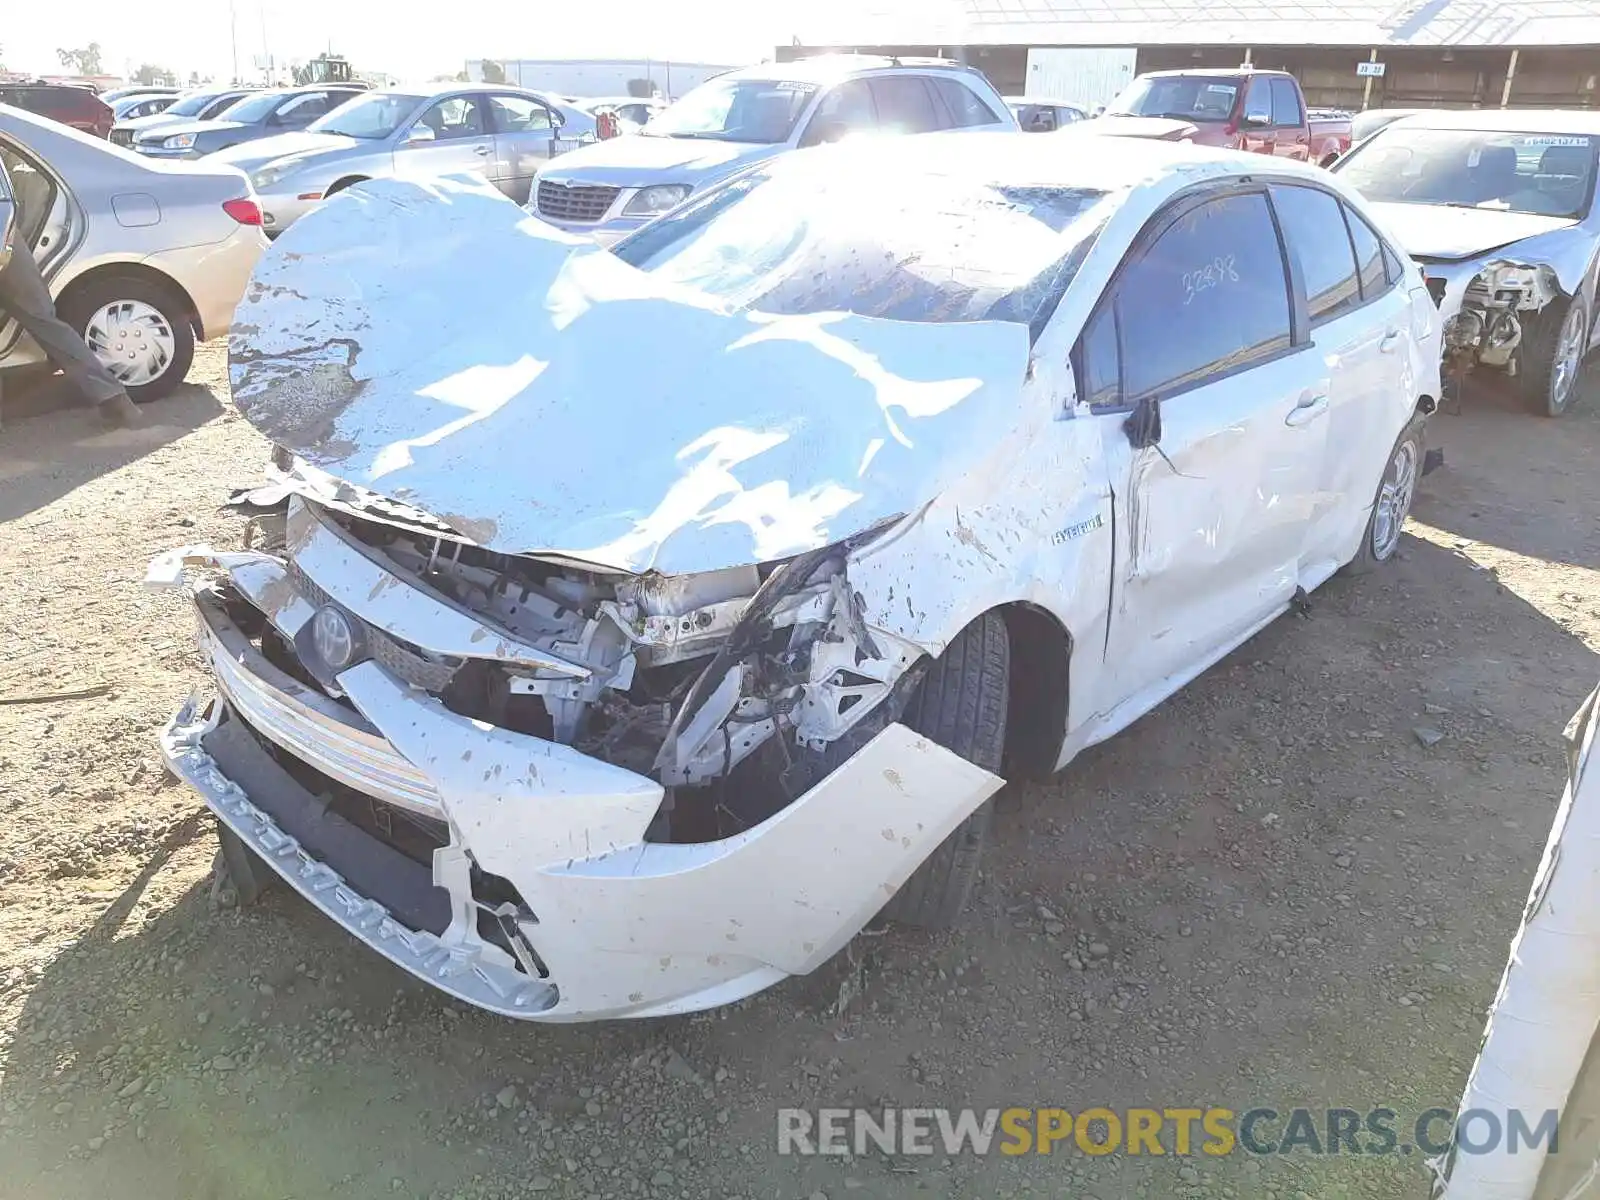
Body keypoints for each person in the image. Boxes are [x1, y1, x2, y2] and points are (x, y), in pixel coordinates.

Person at [0, 148, 141, 428]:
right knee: (45, 321)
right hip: (8, 235)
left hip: (5, 235)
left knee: (43, 319)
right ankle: (114, 399)